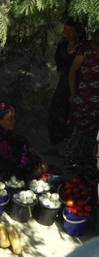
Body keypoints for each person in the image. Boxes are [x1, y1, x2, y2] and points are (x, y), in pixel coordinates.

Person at [0, 103, 45, 181]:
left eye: (13, 118)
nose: (13, 121)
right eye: (9, 119)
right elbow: (6, 164)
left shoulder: (12, 136)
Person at [46, 18, 86, 156]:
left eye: (70, 31)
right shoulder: (62, 45)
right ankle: (56, 145)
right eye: (65, 31)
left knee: (73, 116)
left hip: (80, 85)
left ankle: (70, 149)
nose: (67, 34)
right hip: (63, 84)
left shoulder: (83, 48)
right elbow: (58, 62)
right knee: (55, 112)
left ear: (77, 32)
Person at [66, 29, 99, 177]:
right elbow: (72, 71)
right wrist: (73, 93)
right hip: (83, 97)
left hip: (97, 102)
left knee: (92, 133)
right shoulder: (85, 52)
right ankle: (70, 163)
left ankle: (87, 164)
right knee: (78, 131)